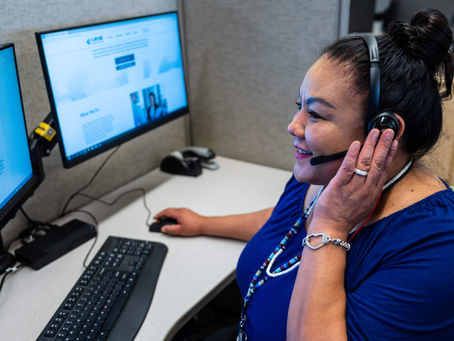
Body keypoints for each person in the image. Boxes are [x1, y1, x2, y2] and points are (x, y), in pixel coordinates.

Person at [154, 8, 454, 340]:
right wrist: (204, 224)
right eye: (300, 105)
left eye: (315, 114)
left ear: (382, 131)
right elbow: (286, 223)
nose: (293, 126)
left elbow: (318, 225)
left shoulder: (436, 247)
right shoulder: (325, 173)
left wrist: (332, 224)